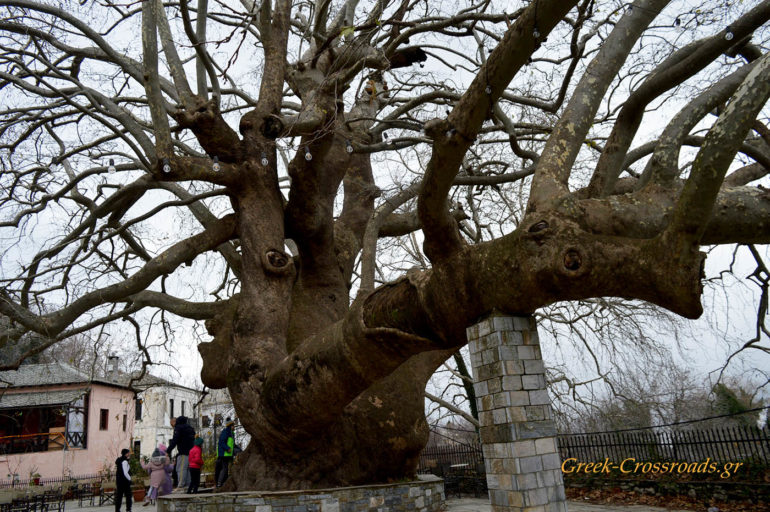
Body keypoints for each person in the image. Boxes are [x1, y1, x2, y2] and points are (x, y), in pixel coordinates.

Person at [166, 415, 195, 491]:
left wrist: (168, 451)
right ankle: (188, 484)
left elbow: (175, 440)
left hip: (183, 452)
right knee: (188, 469)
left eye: (171, 423)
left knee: (181, 469)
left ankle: (181, 485)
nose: (171, 426)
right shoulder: (190, 428)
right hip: (191, 452)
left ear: (174, 422)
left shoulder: (178, 428)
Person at [215, 418, 235, 488]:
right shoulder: (225, 432)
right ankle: (219, 483)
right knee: (224, 468)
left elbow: (233, 445)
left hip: (228, 454)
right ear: (230, 426)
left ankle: (223, 482)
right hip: (224, 454)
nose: (234, 427)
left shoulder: (231, 433)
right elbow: (222, 442)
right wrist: (227, 448)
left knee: (227, 468)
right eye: (233, 426)